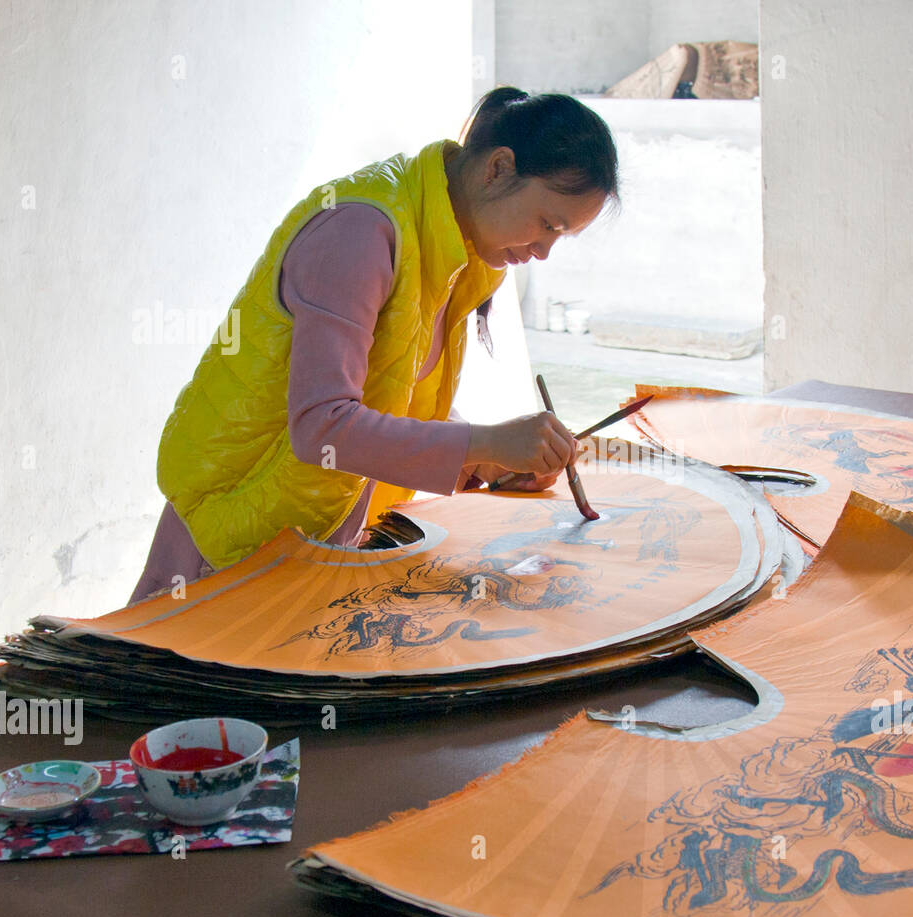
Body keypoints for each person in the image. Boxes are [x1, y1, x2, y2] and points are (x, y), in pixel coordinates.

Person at [129, 86, 619, 604]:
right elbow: (323, 429)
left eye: (561, 236)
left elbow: (385, 396)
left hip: (319, 534)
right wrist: (484, 441)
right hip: (233, 530)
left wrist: (486, 461)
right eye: (548, 224)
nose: (543, 251)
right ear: (497, 168)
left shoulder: (457, 252)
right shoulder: (361, 232)